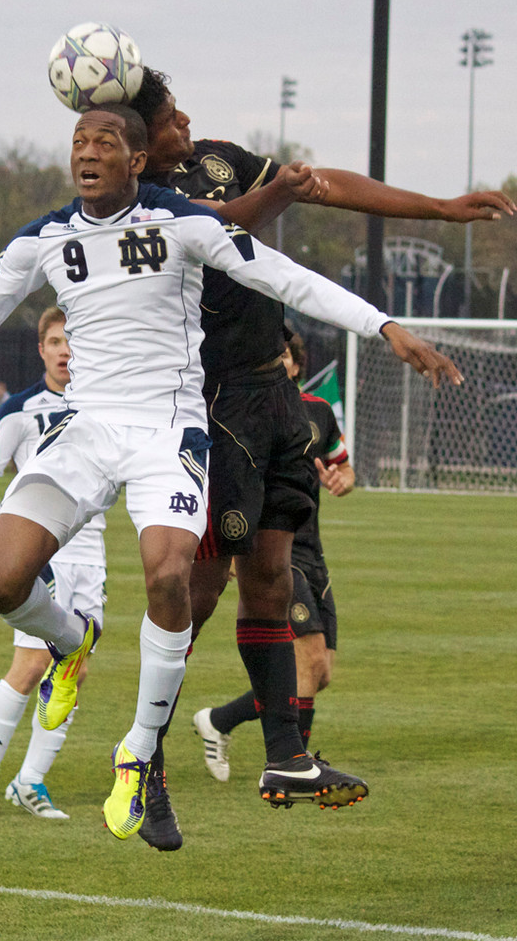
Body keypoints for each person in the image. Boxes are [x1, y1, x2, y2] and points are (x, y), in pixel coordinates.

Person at [0, 104, 460, 842]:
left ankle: (137, 754)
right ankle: (69, 641)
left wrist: (386, 328)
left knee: (169, 574)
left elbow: (285, 278)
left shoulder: (185, 223)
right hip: (85, 432)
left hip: (166, 434)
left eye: (106, 141)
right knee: (1, 584)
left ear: (137, 161)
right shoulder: (45, 239)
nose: (88, 151)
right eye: (79, 140)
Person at [128, 66, 515, 850]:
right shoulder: (140, 210)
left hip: (272, 393)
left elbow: (321, 186)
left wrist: (437, 208)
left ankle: (285, 758)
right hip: (210, 405)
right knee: (198, 586)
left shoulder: (217, 157)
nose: (187, 120)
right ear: (138, 139)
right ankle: (145, 754)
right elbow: (232, 221)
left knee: (270, 574)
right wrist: (281, 194)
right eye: (171, 116)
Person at [0, 307, 107, 821]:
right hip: (40, 554)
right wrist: (1, 533)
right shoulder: (20, 409)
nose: (66, 350)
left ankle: (31, 783)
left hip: (91, 556)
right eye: (56, 341)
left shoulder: (105, 405)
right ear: (41, 349)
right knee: (29, 666)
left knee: (76, 667)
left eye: (73, 341)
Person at [193, 333, 353, 781]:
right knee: (309, 659)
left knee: (320, 673)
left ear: (297, 366)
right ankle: (295, 763)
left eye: (283, 356)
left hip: (313, 553)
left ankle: (219, 721)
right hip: (272, 550)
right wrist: (224, 554)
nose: (276, 363)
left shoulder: (317, 412)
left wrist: (344, 480)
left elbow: (344, 464)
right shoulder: (240, 411)